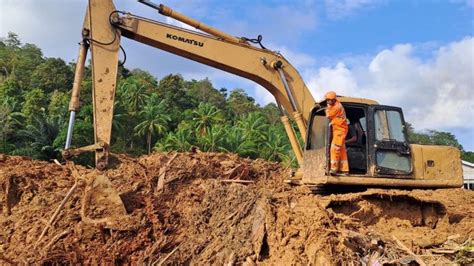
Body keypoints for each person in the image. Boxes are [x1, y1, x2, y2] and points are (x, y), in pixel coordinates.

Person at [324, 91, 349, 175]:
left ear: (334, 99)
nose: (328, 102)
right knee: (341, 150)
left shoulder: (337, 107)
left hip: (340, 130)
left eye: (329, 100)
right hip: (338, 129)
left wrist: (327, 108)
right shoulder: (336, 105)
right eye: (327, 100)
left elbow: (328, 115)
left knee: (334, 148)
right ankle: (344, 169)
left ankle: (334, 169)